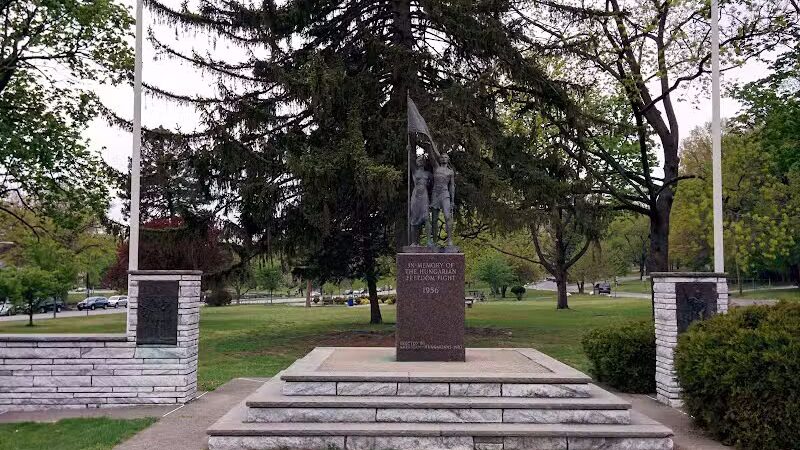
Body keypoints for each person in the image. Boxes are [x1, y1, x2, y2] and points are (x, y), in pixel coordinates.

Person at [428, 152, 455, 247]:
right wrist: (429, 141)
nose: (443, 158)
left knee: (447, 217)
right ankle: (434, 241)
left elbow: (452, 186)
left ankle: (450, 240)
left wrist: (452, 200)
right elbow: (431, 155)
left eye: (445, 157)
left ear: (448, 159)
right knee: (434, 219)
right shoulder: (436, 168)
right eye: (442, 157)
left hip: (445, 193)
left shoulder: (450, 172)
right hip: (435, 194)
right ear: (439, 159)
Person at [409, 154, 432, 246]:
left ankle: (429, 241)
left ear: (424, 162)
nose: (420, 161)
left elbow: (432, 186)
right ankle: (414, 242)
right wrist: (409, 151)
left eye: (422, 160)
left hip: (424, 196)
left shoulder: (428, 174)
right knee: (414, 219)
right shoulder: (414, 172)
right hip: (415, 196)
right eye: (418, 160)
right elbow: (410, 162)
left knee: (426, 218)